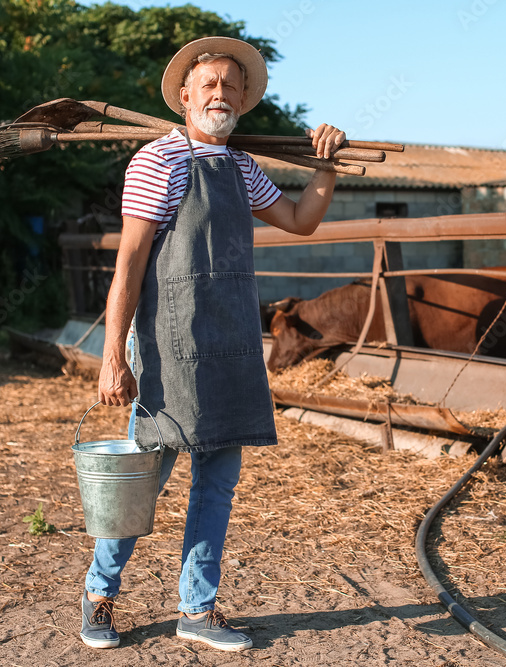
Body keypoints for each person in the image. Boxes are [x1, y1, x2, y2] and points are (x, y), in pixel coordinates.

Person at [80, 35, 346, 652]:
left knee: (218, 483)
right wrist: (113, 354)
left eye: (232, 85)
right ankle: (100, 595)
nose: (220, 93)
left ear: (244, 99)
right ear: (183, 98)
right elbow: (128, 267)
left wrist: (325, 166)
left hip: (231, 347)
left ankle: (197, 610)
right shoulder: (156, 162)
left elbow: (302, 220)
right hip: (171, 351)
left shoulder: (242, 169)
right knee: (142, 475)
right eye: (208, 85)